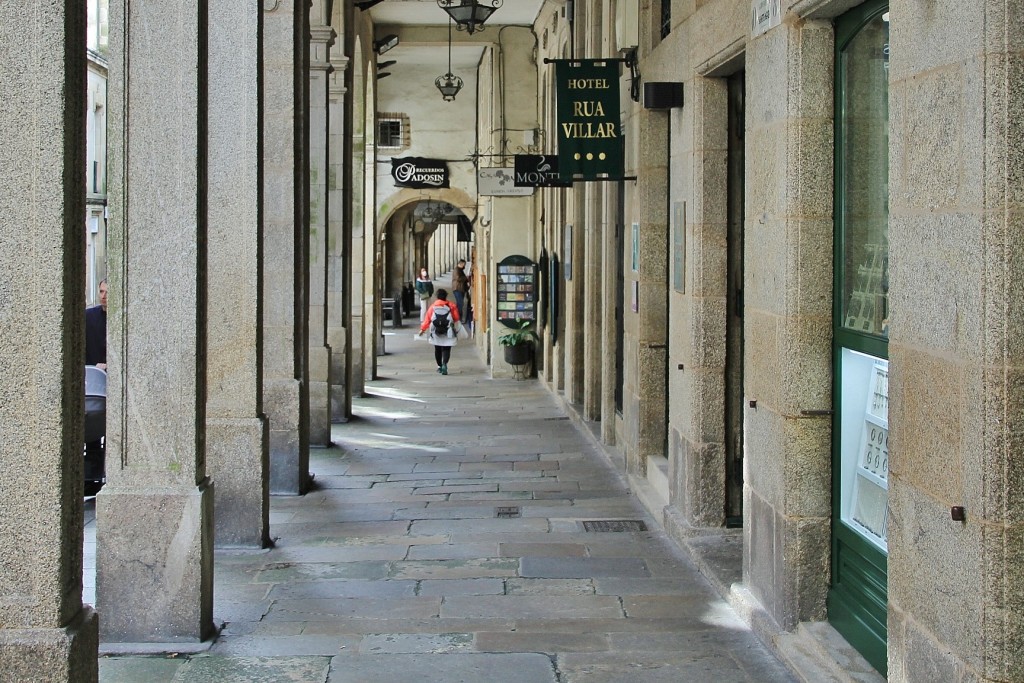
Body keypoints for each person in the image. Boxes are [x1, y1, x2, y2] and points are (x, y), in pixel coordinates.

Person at [417, 288, 460, 375]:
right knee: (447, 348)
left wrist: (422, 329)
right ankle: (445, 364)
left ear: (437, 297)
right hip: (448, 331)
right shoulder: (451, 306)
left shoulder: (433, 307)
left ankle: (439, 366)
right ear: (445, 297)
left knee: (437, 349)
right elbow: (456, 318)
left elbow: (427, 319)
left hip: (436, 331)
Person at [85, 279, 107, 370]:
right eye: (101, 291)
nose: (103, 296)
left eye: (107, 292)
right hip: (91, 371)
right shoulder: (88, 316)